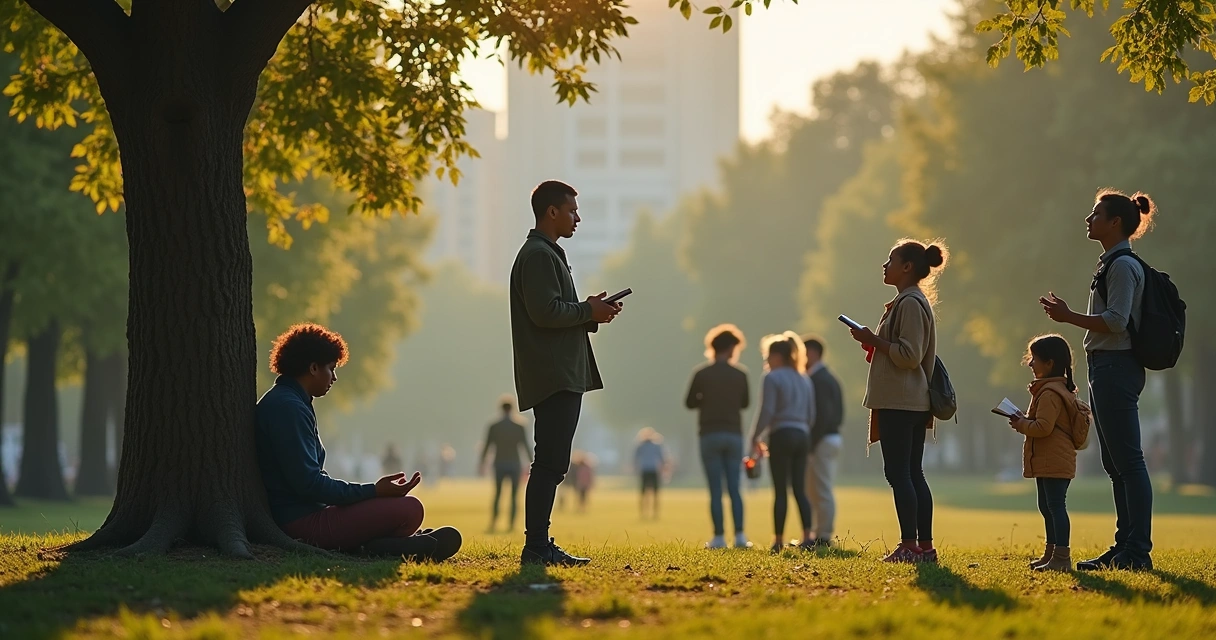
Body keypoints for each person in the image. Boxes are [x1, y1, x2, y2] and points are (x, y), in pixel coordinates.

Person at [255, 323, 461, 561]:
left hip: (309, 513)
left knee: (408, 508)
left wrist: (372, 495)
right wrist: (374, 491)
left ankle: (384, 545)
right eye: (331, 369)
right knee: (410, 509)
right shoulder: (287, 408)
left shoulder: (291, 402)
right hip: (301, 522)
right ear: (313, 368)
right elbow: (309, 485)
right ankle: (381, 547)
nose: (334, 377)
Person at [1039, 190, 1158, 571]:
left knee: (1129, 462)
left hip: (1116, 366)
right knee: (1115, 462)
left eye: (1095, 214)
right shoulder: (1111, 264)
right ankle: (1124, 547)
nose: (1088, 220)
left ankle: (1137, 551)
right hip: (1105, 367)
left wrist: (1068, 316)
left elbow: (1116, 321)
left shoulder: (1123, 266)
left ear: (1115, 222)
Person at [510, 180, 622, 566]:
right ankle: (536, 547)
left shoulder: (547, 253)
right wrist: (586, 311)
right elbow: (545, 313)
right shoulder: (539, 255)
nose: (578, 217)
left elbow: (557, 311)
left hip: (558, 370)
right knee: (550, 463)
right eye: (572, 210)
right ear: (551, 212)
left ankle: (539, 545)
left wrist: (591, 312)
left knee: (552, 461)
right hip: (554, 373)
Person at [850, 239, 948, 563]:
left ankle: (910, 545)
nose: (885, 265)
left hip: (901, 401)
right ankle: (924, 547)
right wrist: (876, 343)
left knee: (900, 473)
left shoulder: (909, 303)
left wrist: (872, 339)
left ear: (907, 267)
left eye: (891, 259)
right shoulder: (908, 301)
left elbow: (908, 355)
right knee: (912, 472)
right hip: (907, 400)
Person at [1010, 334, 1089, 572]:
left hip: (1054, 458)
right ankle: (1051, 554)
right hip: (1049, 459)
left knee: (1055, 506)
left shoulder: (1050, 394)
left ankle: (1062, 557)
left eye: (1034, 359)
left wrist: (1021, 423)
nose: (1030, 364)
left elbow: (1043, 427)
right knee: (1047, 506)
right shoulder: (1051, 390)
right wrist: (1024, 421)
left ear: (1050, 363)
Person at [686, 324, 752, 549]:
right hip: (733, 433)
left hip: (709, 434)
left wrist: (706, 399)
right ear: (732, 348)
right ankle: (741, 536)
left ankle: (718, 537)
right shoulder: (740, 374)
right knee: (735, 488)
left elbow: (690, 402)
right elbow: (745, 403)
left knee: (715, 489)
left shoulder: (702, 374)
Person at [750, 331, 816, 553]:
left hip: (782, 434)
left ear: (778, 356)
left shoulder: (772, 377)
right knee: (800, 488)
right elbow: (811, 414)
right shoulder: (804, 378)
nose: (767, 361)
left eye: (768, 356)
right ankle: (808, 536)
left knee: (780, 490)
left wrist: (755, 436)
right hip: (802, 435)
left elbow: (766, 411)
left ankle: (778, 540)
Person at [803, 336, 844, 546]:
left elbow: (822, 416)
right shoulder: (826, 377)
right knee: (816, 488)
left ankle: (823, 535)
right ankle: (817, 534)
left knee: (821, 489)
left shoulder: (819, 380)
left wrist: (810, 444)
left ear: (813, 353)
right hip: (828, 438)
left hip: (822, 440)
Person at [480, 396, 532, 533]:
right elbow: (525, 446)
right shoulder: (519, 426)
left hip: (499, 462)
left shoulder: (494, 426)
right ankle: (511, 524)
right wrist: (532, 462)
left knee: (497, 493)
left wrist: (482, 462)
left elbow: (487, 446)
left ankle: (494, 521)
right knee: (514, 496)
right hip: (515, 463)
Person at [634, 427, 670, 520]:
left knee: (647, 493)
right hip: (650, 470)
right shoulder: (654, 446)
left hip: (648, 470)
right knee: (652, 493)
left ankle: (650, 513)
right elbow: (662, 459)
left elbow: (636, 459)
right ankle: (647, 513)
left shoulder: (641, 446)